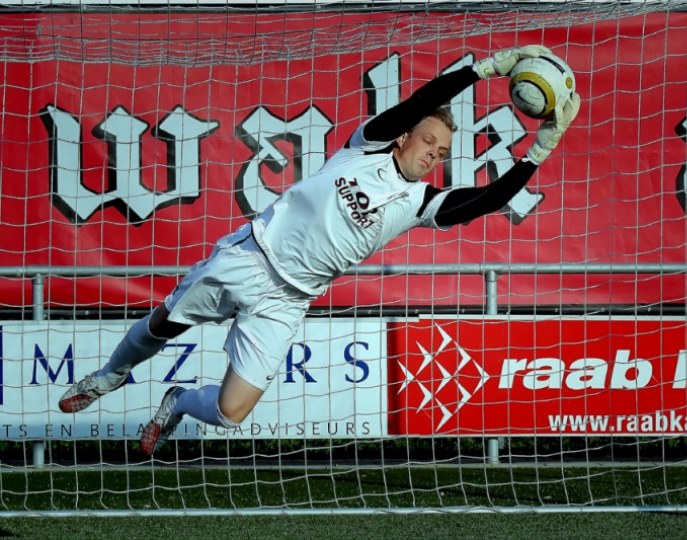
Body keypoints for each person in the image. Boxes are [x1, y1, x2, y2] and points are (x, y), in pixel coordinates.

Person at [58, 45, 581, 455]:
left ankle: (176, 402)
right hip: (251, 257)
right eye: (427, 143)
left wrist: (542, 148)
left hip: (290, 300)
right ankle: (109, 376)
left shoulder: (420, 201)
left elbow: (485, 200)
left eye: (443, 152)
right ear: (402, 138)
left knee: (232, 411)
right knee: (163, 325)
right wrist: (487, 68)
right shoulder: (368, 144)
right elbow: (421, 102)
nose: (433, 155)